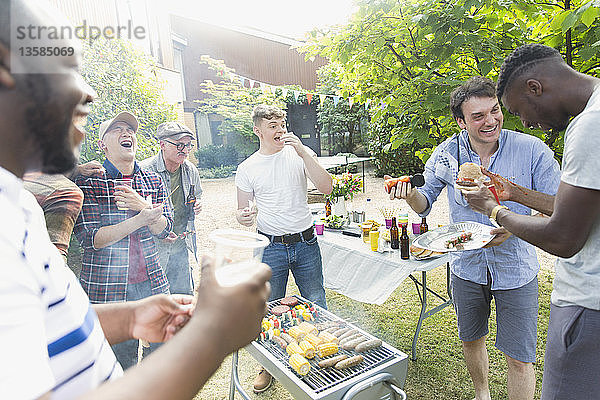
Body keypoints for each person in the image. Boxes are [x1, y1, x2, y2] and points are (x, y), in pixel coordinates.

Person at [0, 1, 270, 399]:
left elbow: (41, 323)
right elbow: (95, 240)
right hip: (108, 283)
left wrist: (129, 317)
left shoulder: (15, 206)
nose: (87, 92)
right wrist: (213, 335)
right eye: (67, 66)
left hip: (145, 286)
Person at [388, 77, 561, 400]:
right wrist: (409, 194)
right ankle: (482, 394)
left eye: (494, 110)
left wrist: (512, 227)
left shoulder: (531, 149)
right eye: (478, 116)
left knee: (520, 357)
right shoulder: (447, 153)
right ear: (461, 121)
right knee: (471, 339)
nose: (490, 121)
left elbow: (556, 205)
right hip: (466, 265)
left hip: (516, 268)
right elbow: (424, 202)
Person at [462, 44, 600, 400]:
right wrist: (515, 193)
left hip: (588, 303)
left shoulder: (588, 128)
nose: (524, 122)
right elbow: (577, 206)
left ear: (534, 88)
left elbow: (564, 237)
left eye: (514, 111)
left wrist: (493, 209)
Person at [235, 104, 333, 393]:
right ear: (258, 130)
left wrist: (304, 152)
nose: (280, 130)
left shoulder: (299, 154)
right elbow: (241, 212)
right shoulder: (247, 167)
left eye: (281, 124)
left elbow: (326, 187)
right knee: (268, 308)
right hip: (271, 247)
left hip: (305, 242)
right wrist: (243, 216)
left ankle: (320, 355)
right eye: (272, 125)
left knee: (316, 301)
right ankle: (268, 366)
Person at [73, 111, 177, 369]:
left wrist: (144, 207)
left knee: (163, 354)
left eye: (130, 129)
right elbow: (92, 240)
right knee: (120, 363)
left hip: (152, 282)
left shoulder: (152, 179)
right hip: (108, 290)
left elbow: (165, 230)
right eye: (117, 129)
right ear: (102, 145)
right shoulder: (89, 182)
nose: (126, 133)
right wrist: (141, 217)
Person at [141, 122, 202, 295]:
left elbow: (197, 194)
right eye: (179, 145)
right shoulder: (144, 171)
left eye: (188, 145)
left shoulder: (191, 170)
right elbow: (135, 214)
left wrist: (197, 203)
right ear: (162, 145)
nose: (184, 150)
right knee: (156, 305)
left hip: (181, 246)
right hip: (153, 251)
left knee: (184, 301)